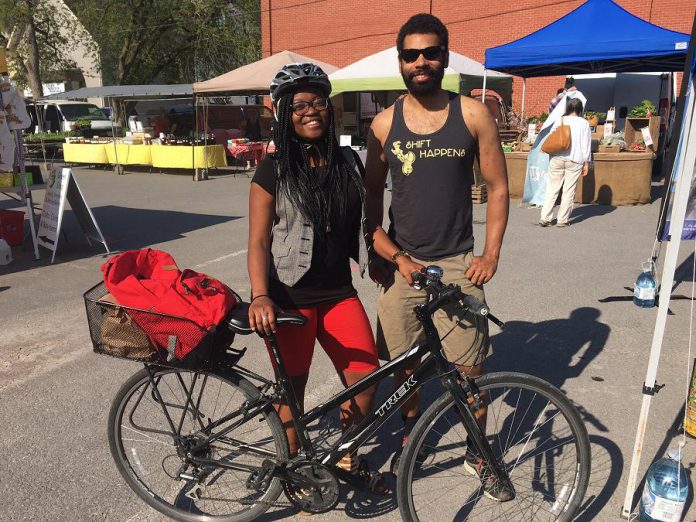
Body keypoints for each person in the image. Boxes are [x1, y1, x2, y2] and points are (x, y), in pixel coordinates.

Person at [365, 14, 510, 499]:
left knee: (470, 372)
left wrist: (490, 253)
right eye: (411, 55)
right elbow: (370, 205)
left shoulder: (472, 115)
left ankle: (478, 450)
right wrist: (383, 253)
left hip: (456, 263)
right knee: (403, 367)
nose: (421, 62)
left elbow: (498, 186)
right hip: (403, 264)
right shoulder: (384, 124)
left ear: (445, 56)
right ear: (400, 61)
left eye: (430, 53)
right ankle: (413, 434)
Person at [246, 63, 385, 493]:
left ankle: (344, 455)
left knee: (365, 376)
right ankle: (292, 470)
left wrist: (395, 260)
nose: (311, 111)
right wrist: (260, 296)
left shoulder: (346, 161)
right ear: (284, 113)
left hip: (338, 291)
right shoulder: (273, 170)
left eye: (319, 102)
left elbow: (369, 223)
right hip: (289, 297)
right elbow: (258, 242)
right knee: (292, 393)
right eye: (299, 104)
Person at [539, 98, 591, 227]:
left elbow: (551, 137)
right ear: (580, 109)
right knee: (569, 190)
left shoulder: (560, 120)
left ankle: (545, 217)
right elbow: (586, 144)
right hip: (575, 159)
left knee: (552, 188)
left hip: (557, 157)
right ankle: (562, 220)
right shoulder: (584, 123)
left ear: (568, 108)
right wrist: (587, 162)